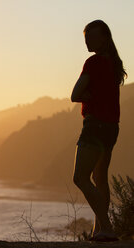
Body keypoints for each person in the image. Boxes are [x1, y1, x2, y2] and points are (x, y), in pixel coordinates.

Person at [71, 20, 127, 242]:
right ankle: (99, 231)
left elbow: (75, 94)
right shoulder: (114, 63)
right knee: (100, 178)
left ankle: (107, 227)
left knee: (80, 178)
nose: (88, 41)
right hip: (112, 128)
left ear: (104, 38)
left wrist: (88, 97)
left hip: (94, 127)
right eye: (86, 37)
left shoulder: (93, 62)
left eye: (92, 37)